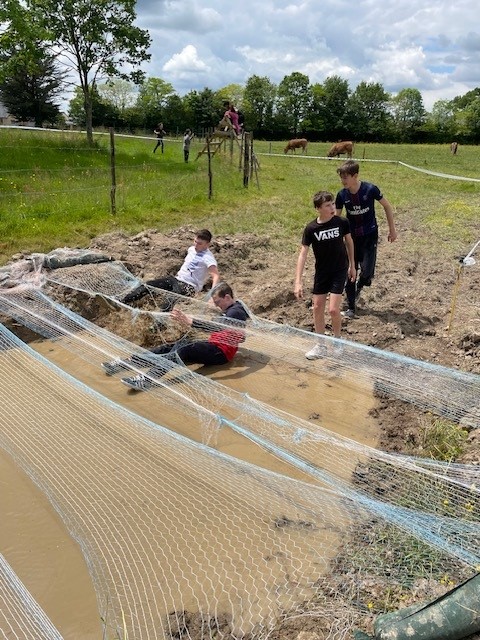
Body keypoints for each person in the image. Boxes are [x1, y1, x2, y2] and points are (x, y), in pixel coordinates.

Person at [102, 283, 249, 391]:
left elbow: (218, 327)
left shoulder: (236, 312)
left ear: (227, 297)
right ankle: (128, 362)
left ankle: (147, 379)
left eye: (218, 302)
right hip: (212, 345)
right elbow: (239, 335)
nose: (217, 306)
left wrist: (190, 321)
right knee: (171, 346)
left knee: (182, 351)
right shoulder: (231, 309)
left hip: (220, 353)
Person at [294, 191, 355, 360]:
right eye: (328, 205)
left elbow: (349, 242)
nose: (332, 207)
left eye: (333, 204)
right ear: (318, 208)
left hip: (339, 270)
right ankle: (320, 345)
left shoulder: (341, 222)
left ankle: (337, 341)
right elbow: (303, 254)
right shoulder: (311, 228)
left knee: (334, 310)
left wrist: (352, 265)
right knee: (317, 307)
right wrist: (298, 281)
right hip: (322, 272)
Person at [335, 160, 397, 319]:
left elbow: (387, 206)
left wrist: (392, 230)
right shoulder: (342, 195)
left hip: (370, 236)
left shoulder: (370, 189)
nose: (343, 181)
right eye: (341, 178)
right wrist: (335, 237)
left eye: (345, 178)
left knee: (367, 273)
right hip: (351, 238)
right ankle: (351, 307)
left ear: (355, 176)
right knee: (351, 271)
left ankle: (361, 285)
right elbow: (337, 218)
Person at [122, 229, 219, 304]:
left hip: (189, 286)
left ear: (208, 244)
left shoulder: (208, 257)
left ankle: (158, 325)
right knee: (149, 285)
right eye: (195, 241)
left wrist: (212, 294)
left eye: (200, 243)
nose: (196, 245)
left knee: (169, 300)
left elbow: (215, 275)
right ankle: (124, 301)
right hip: (176, 279)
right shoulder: (191, 249)